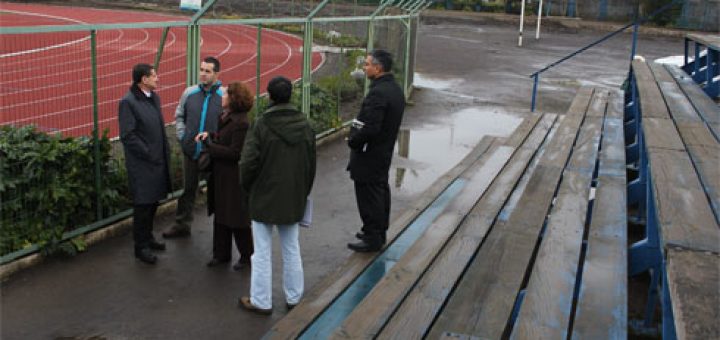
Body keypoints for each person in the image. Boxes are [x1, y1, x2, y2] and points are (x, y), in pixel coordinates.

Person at [238, 76, 316, 314]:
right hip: (293, 196)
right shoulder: (305, 124)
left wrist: (248, 188)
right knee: (291, 247)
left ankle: (261, 300)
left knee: (261, 251)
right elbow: (311, 165)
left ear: (269, 96)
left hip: (263, 196)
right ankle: (294, 297)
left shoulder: (261, 124)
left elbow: (248, 163)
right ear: (290, 94)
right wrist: (302, 191)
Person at [346, 49, 406, 252]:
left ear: (378, 68)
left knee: (369, 194)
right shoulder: (394, 88)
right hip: (383, 152)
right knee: (380, 191)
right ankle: (377, 231)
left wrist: (353, 141)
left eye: (368, 64)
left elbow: (371, 127)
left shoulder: (379, 92)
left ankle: (372, 237)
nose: (365, 67)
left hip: (370, 154)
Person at [164, 57, 224, 238]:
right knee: (188, 189)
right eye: (201, 70)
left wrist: (217, 144)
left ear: (216, 74)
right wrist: (183, 137)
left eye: (207, 71)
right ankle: (182, 224)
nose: (203, 74)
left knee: (218, 191)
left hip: (212, 153)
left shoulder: (223, 96)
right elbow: (179, 115)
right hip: (191, 151)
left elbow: (227, 124)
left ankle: (222, 228)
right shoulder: (189, 93)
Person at [195, 82, 254, 270]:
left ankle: (247, 256)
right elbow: (223, 138)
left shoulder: (241, 122)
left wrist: (210, 147)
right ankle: (221, 254)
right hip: (221, 174)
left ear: (234, 98)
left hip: (233, 177)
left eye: (226, 93)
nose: (222, 96)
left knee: (237, 217)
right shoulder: (226, 116)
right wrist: (210, 135)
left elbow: (236, 152)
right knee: (221, 214)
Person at [118, 63, 171, 265]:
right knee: (143, 205)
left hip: (157, 161)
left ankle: (148, 237)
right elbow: (128, 135)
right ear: (143, 80)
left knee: (153, 201)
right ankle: (140, 247)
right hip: (143, 164)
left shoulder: (153, 98)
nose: (157, 78)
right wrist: (148, 152)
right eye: (154, 76)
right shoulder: (128, 102)